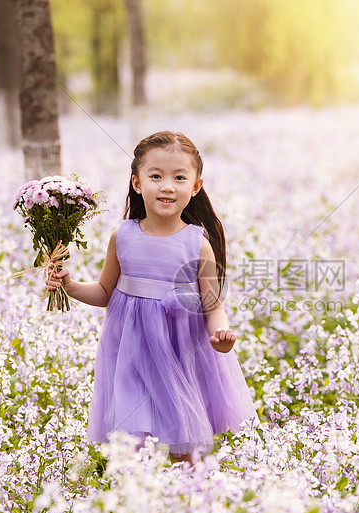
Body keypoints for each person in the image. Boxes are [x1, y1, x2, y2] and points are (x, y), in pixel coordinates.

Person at [46, 131, 257, 466]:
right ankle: (136, 503)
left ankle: (189, 497)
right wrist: (69, 285)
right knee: (131, 439)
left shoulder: (197, 243)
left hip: (177, 353)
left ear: (196, 187)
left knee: (183, 438)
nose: (167, 186)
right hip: (129, 352)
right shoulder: (123, 236)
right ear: (137, 183)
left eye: (179, 177)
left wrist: (222, 334)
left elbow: (212, 305)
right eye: (155, 176)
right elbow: (104, 292)